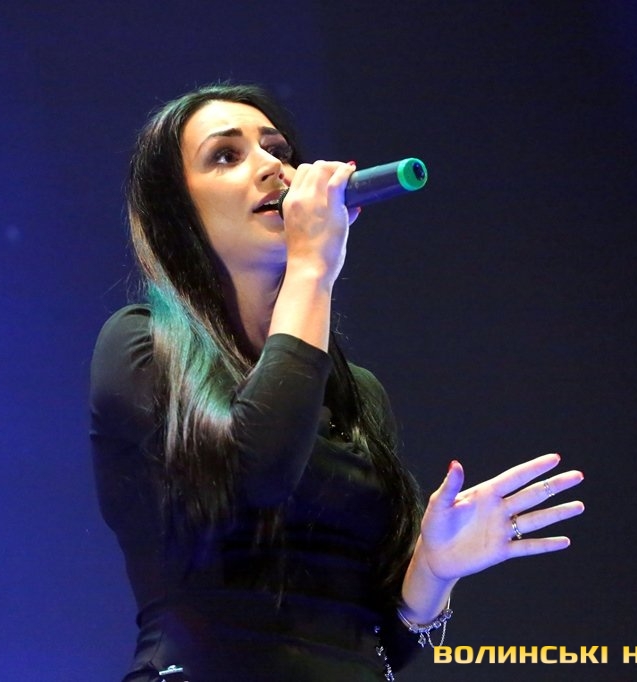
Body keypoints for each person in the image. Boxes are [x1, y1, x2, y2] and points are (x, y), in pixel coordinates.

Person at [89, 83, 584, 682]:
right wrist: (311, 267)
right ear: (177, 214)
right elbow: (257, 474)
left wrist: (433, 570)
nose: (272, 166)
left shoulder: (356, 394)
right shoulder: (142, 346)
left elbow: (381, 645)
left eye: (278, 149)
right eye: (226, 155)